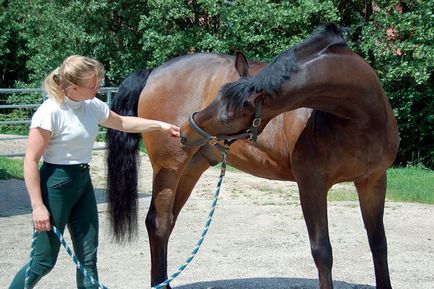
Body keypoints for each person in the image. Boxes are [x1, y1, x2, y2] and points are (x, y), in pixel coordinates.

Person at [8, 55, 180, 289]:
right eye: (93, 84)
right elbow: (30, 160)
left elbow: (122, 123)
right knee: (43, 261)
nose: (98, 87)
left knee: (88, 259)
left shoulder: (92, 106)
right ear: (74, 87)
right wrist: (38, 206)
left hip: (82, 183)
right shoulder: (50, 112)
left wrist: (159, 125)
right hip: (56, 185)